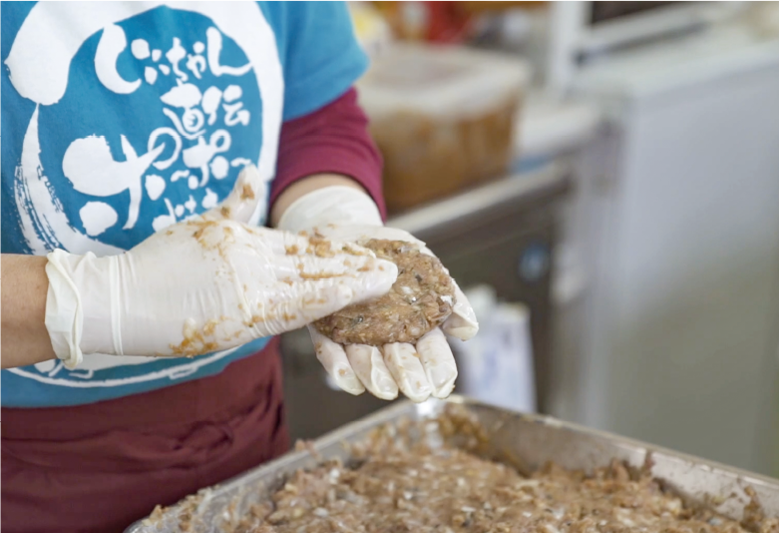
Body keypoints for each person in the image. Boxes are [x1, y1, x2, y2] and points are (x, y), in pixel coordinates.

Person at [0, 1, 478, 531]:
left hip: (243, 432)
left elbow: (315, 117)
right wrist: (92, 302)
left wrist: (332, 213)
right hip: (25, 468)